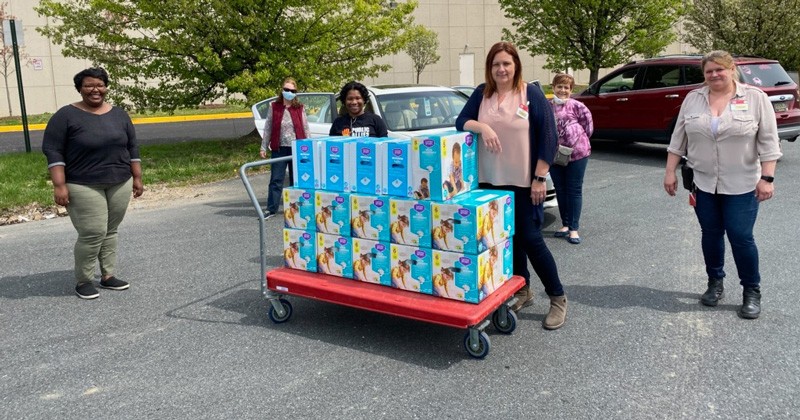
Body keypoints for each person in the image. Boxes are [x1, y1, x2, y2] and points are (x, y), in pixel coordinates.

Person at [456, 41, 567, 330]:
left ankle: (557, 297)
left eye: (506, 63)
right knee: (506, 239)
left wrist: (540, 177)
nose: (501, 69)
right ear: (489, 69)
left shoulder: (529, 93)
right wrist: (483, 127)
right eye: (496, 64)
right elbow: (461, 121)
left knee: (531, 239)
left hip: (523, 182)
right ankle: (522, 289)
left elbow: (549, 137)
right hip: (489, 183)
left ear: (516, 64)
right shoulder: (482, 94)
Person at [663, 50, 781, 319]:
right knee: (710, 234)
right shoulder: (693, 99)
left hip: (743, 184)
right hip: (704, 183)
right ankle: (715, 283)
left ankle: (751, 290)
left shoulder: (755, 98)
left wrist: (767, 178)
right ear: (704, 74)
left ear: (731, 70)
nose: (714, 75)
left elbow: (769, 142)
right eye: (709, 71)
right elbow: (678, 140)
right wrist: (670, 171)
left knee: (741, 237)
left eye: (720, 69)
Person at [42, 67, 143, 300]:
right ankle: (84, 280)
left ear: (106, 87)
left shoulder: (119, 115)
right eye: (88, 85)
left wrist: (136, 177)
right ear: (80, 88)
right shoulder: (65, 116)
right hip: (82, 183)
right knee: (93, 232)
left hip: (120, 181)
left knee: (110, 230)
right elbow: (53, 150)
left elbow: (132, 147)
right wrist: (59, 185)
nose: (95, 90)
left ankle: (108, 276)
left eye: (100, 85)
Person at [548, 73, 594, 244]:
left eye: (566, 87)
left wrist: (576, 141)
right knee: (560, 189)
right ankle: (565, 224)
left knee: (573, 189)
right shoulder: (547, 106)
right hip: (554, 155)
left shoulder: (578, 106)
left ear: (571, 90)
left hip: (577, 154)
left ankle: (574, 228)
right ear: (553, 88)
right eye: (559, 86)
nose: (562, 90)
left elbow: (588, 128)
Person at [259, 77, 310, 219]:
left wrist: (309, 147)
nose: (289, 92)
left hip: (297, 148)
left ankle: (297, 208)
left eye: (292, 90)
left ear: (295, 92)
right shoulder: (274, 106)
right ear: (282, 90)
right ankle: (271, 209)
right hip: (279, 148)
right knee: (276, 179)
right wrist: (263, 146)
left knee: (297, 180)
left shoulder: (299, 108)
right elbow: (268, 127)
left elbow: (305, 127)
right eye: (286, 90)